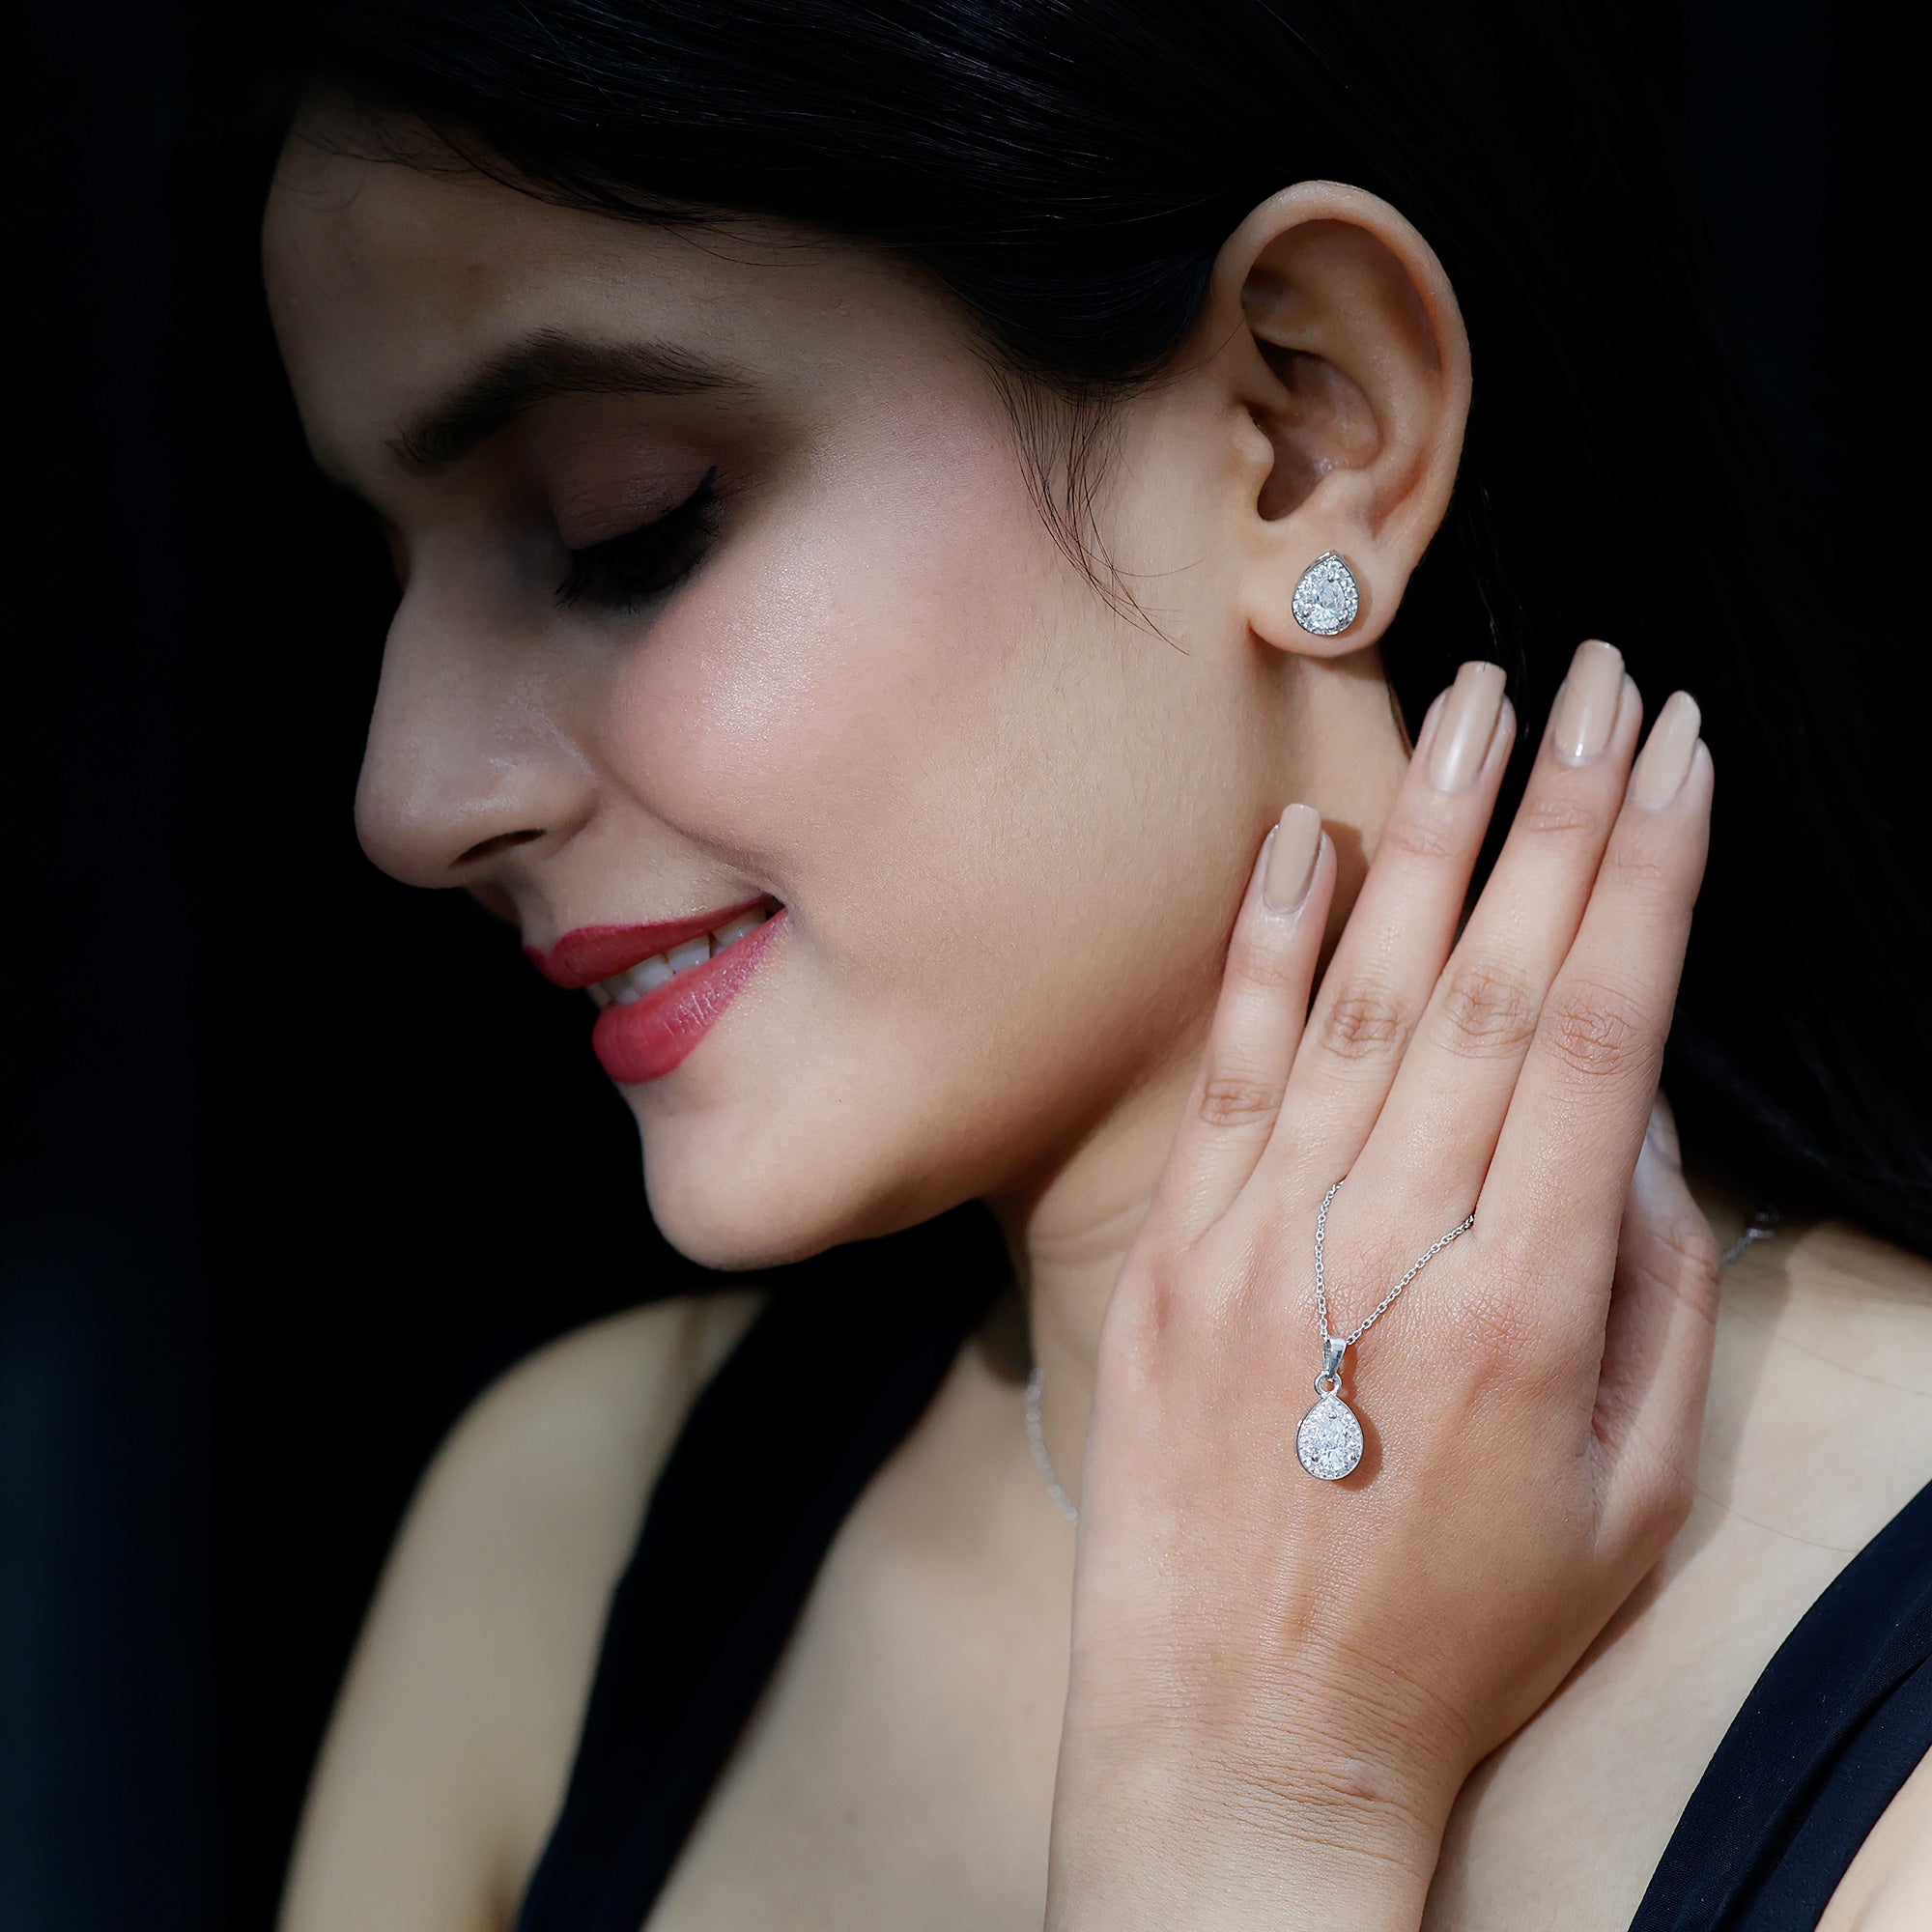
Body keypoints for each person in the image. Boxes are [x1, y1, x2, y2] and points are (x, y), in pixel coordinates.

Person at [261, 3, 1932, 1926]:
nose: (410, 797)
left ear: (1308, 431)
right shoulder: (561, 1542)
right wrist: (1232, 1810)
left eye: (622, 522)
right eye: (389, 573)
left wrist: (1270, 1799)